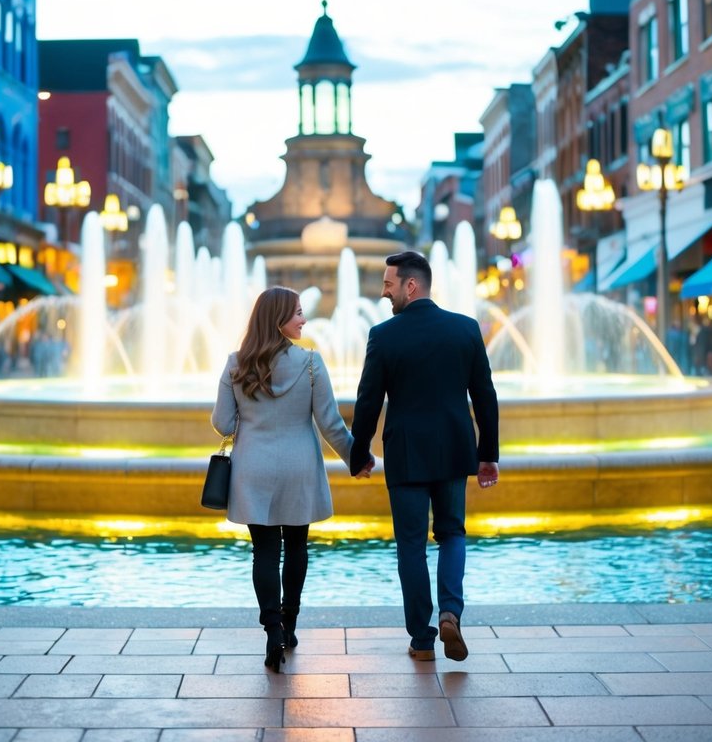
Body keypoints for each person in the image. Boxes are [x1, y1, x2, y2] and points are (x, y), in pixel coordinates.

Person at [349, 251, 499, 663]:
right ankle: (451, 611)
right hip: (454, 449)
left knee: (411, 546)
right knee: (452, 533)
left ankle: (421, 639)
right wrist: (488, 454)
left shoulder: (383, 335)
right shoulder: (465, 329)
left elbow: (367, 403)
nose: (384, 293)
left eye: (388, 284)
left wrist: (358, 454)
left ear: (410, 285)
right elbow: (485, 397)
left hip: (406, 454)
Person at [210, 286, 359, 673]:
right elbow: (330, 423)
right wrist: (356, 458)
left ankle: (272, 631)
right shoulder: (311, 363)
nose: (304, 320)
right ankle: (289, 625)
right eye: (297, 313)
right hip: (299, 468)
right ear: (277, 318)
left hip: (252, 468)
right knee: (296, 547)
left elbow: (222, 423)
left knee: (263, 552)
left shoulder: (235, 363)